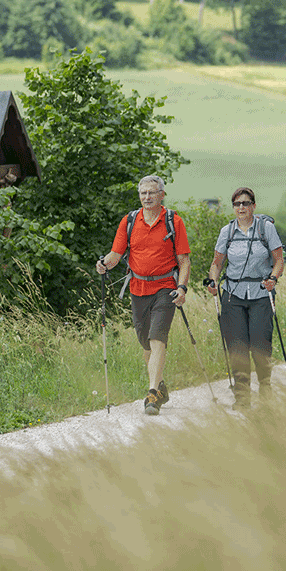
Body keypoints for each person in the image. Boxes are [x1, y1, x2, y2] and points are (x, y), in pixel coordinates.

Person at [96, 175, 191, 415]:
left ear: (162, 195)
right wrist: (103, 264)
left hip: (165, 288)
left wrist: (181, 287)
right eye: (143, 193)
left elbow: (184, 260)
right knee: (145, 343)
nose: (147, 197)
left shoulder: (173, 222)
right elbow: (116, 255)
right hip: (138, 289)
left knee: (158, 336)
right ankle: (160, 387)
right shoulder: (129, 221)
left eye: (152, 193)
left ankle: (151, 393)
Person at [204, 186, 284, 408]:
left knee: (260, 344)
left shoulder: (265, 229)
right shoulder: (226, 232)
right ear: (233, 208)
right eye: (237, 204)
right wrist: (213, 281)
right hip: (232, 295)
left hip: (260, 293)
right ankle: (242, 397)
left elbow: (279, 260)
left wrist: (273, 279)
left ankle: (265, 388)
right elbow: (217, 263)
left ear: (254, 206)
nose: (241, 207)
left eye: (246, 203)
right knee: (237, 347)